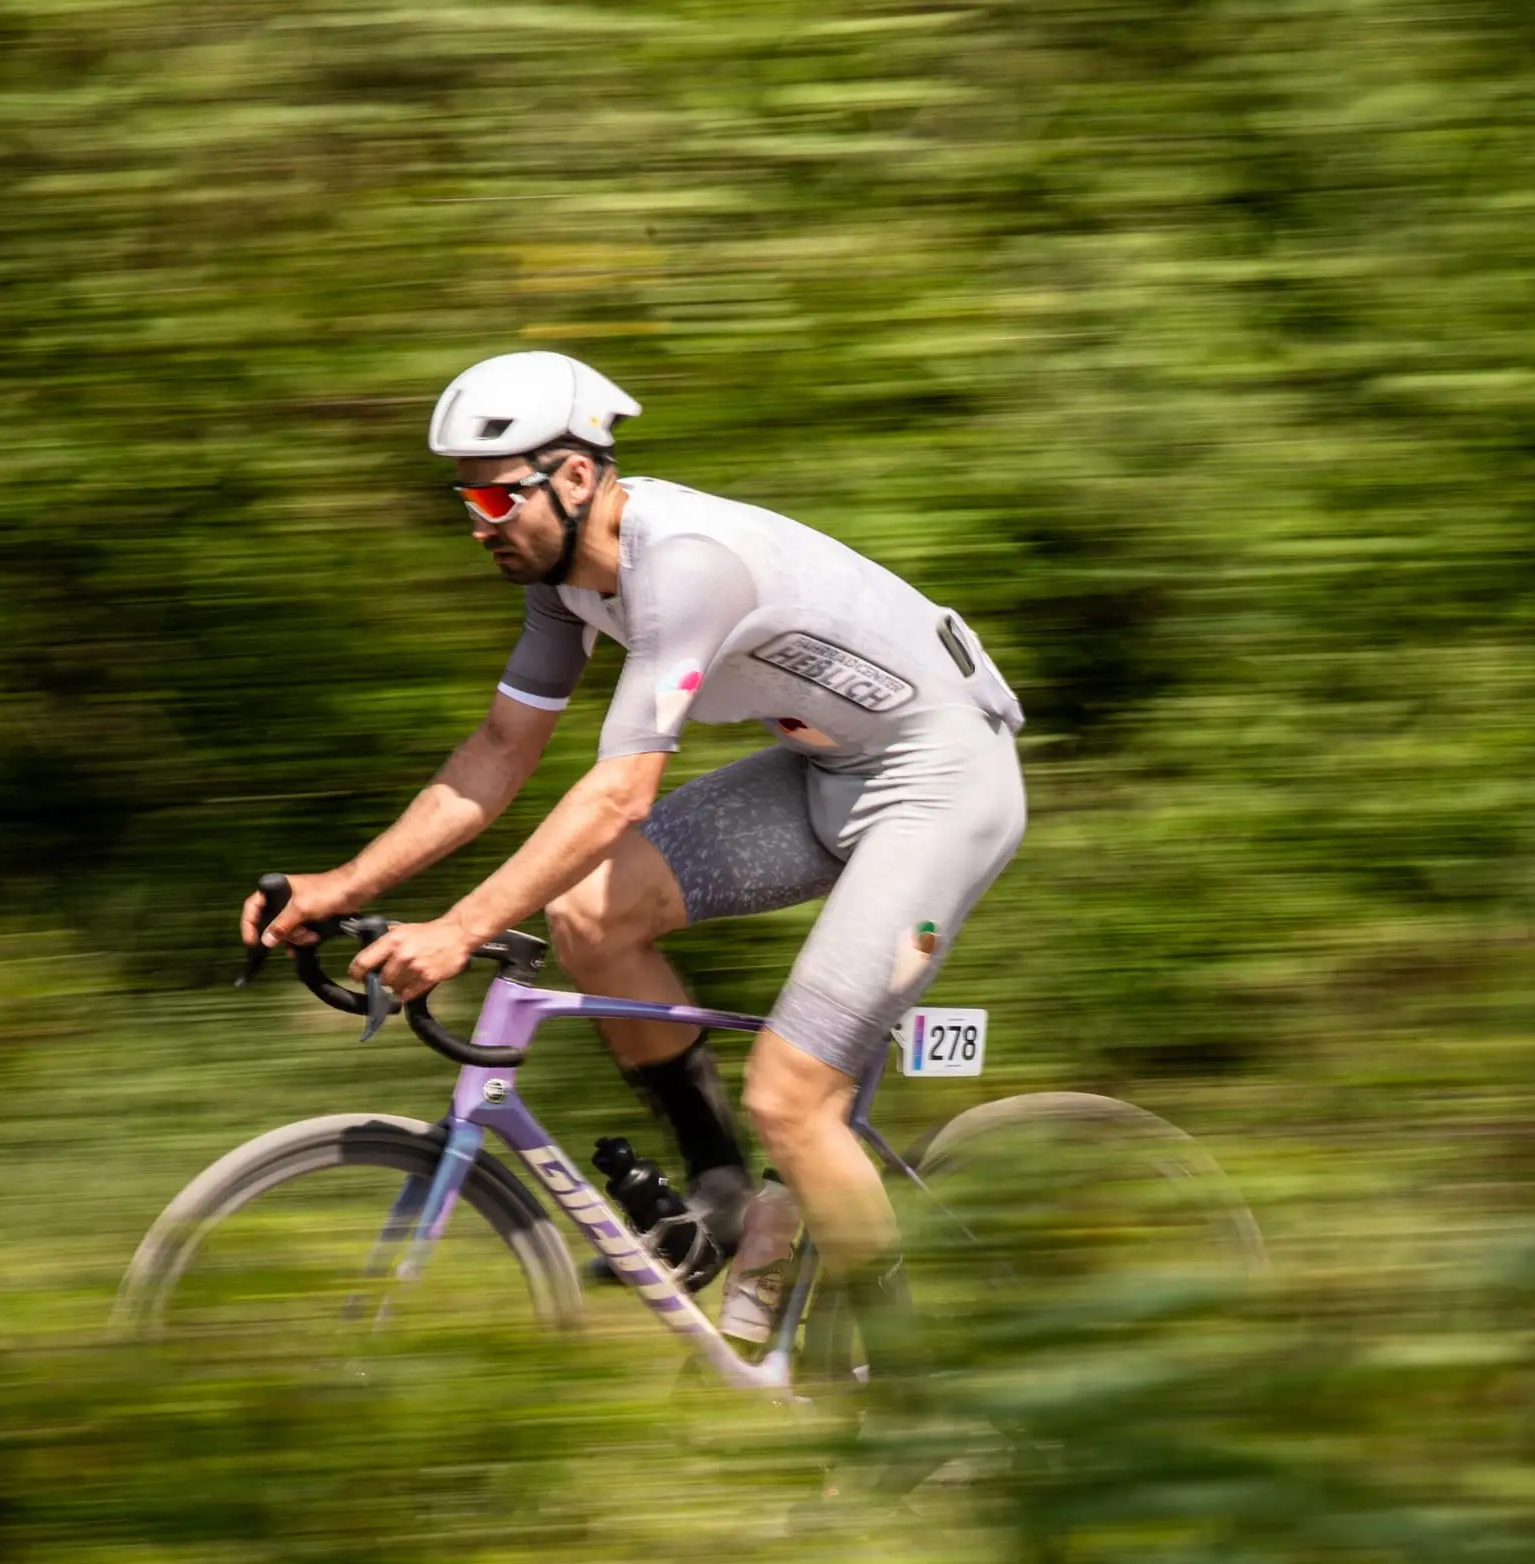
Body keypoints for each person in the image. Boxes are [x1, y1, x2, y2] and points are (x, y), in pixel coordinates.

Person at [239, 350, 1026, 1368]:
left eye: (492, 494)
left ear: (573, 476)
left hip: (942, 784)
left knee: (791, 1096)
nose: (477, 522)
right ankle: (728, 1204)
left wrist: (459, 929)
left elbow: (619, 792)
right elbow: (498, 753)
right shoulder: (566, 587)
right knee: (588, 921)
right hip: (823, 772)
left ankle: (915, 1409)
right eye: (462, 498)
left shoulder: (687, 563)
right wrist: (337, 887)